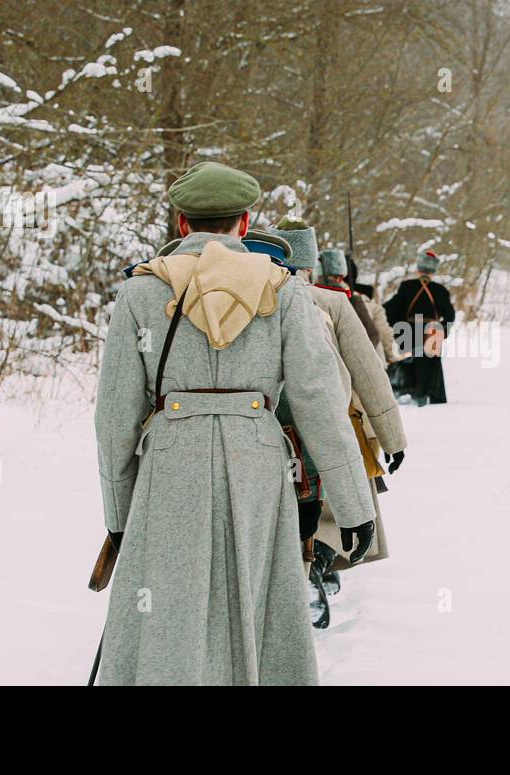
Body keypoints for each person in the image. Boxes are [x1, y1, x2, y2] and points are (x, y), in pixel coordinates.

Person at [93, 161, 376, 684]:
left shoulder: (139, 293)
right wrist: (356, 507)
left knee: (169, 611)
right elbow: (320, 404)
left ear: (182, 224)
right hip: (259, 467)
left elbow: (114, 418)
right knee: (257, 606)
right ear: (245, 224)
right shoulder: (285, 290)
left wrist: (119, 515)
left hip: (170, 467)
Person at [274, 231, 409, 625]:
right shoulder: (334, 302)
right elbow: (369, 374)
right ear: (311, 263)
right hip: (333, 427)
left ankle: (305, 575)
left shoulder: (256, 296)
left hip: (269, 431)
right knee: (335, 511)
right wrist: (392, 438)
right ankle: (315, 569)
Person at [384, 249, 456, 405]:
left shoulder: (406, 286)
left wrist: (395, 326)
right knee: (431, 365)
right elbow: (450, 315)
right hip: (433, 331)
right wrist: (442, 330)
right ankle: (431, 395)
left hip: (408, 329)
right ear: (433, 271)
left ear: (418, 268)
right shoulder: (441, 291)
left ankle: (410, 392)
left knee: (409, 361)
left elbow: (392, 309)